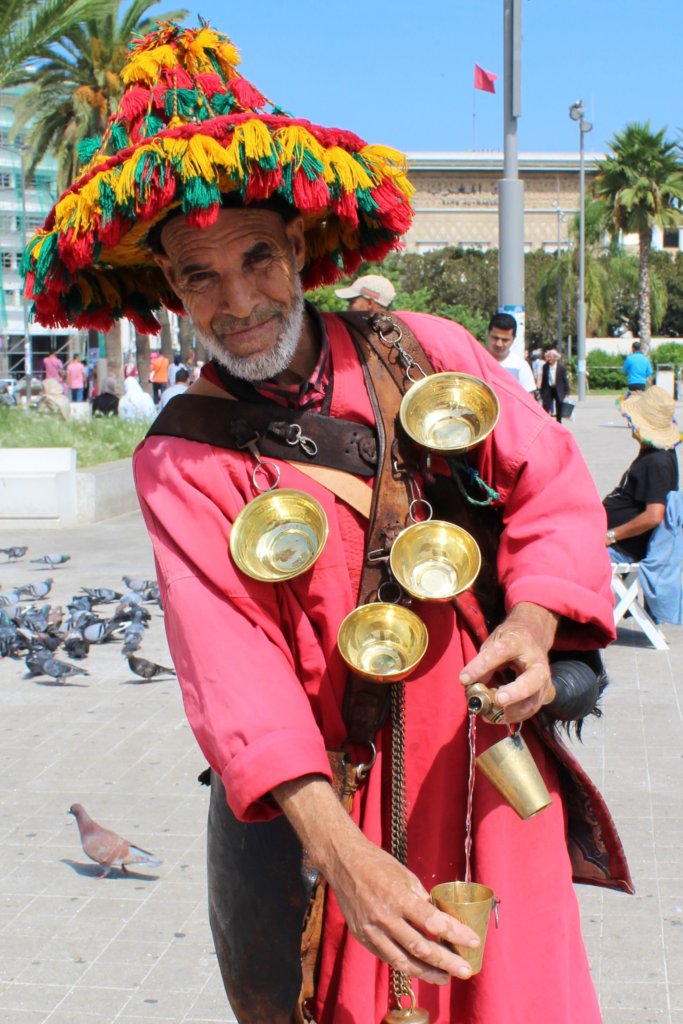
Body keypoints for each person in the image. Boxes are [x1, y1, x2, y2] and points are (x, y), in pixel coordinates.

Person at [22, 22, 630, 1024]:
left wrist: (528, 625)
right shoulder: (181, 458)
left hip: (484, 756)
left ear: (299, 247)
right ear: (167, 291)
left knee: (526, 998)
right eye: (196, 276)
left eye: (256, 258)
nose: (236, 301)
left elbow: (553, 486)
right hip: (334, 799)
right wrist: (340, 858)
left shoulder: (422, 347)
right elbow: (233, 674)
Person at [603, 386, 680, 563]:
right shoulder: (654, 454)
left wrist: (611, 535)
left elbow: (654, 515)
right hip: (614, 540)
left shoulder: (657, 462)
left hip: (622, 548)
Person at [485, 313, 537, 396]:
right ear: (488, 334)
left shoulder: (520, 366)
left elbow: (529, 401)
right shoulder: (475, 360)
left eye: (505, 340)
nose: (499, 344)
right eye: (495, 338)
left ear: (513, 339)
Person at [540, 348, 570, 423]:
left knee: (559, 407)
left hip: (558, 389)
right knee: (546, 406)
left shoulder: (561, 367)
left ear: (555, 358)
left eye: (551, 357)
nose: (549, 359)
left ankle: (559, 422)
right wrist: (541, 391)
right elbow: (543, 380)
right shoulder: (545, 367)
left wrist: (567, 392)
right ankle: (546, 422)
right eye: (548, 357)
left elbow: (565, 380)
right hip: (548, 389)